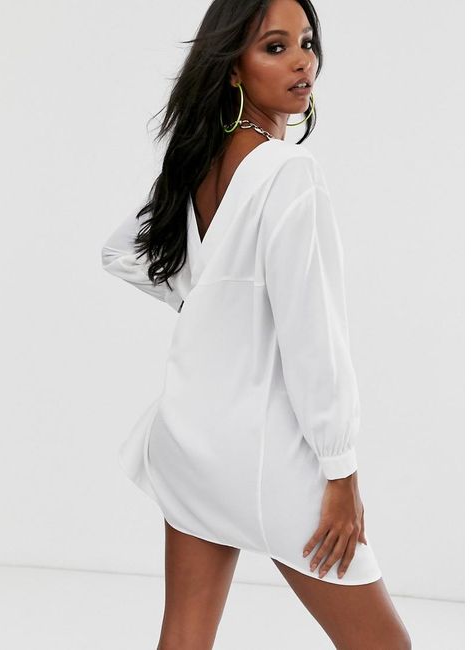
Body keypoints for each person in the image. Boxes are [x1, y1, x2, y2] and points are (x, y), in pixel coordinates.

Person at [101, 0, 412, 648]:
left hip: (190, 446)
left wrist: (209, 300)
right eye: (275, 47)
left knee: (185, 635)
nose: (302, 61)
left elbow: (125, 253)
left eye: (307, 42)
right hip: (267, 461)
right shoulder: (288, 171)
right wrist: (341, 473)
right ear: (234, 68)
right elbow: (313, 337)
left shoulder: (200, 162)